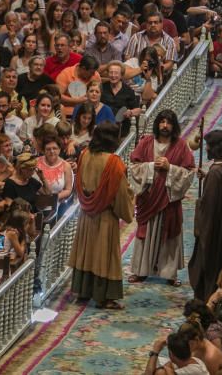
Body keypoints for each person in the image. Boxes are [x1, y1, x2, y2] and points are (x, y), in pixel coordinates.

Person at [69, 122, 135, 310]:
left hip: (86, 213)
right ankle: (104, 297)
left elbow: (79, 184)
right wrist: (131, 200)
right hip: (105, 215)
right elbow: (121, 192)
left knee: (85, 252)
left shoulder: (84, 155)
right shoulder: (113, 162)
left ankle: (83, 292)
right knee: (104, 255)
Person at [128, 110, 195, 285]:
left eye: (169, 123)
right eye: (162, 122)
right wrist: (150, 167)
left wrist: (170, 168)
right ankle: (141, 270)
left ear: (174, 126)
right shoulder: (146, 143)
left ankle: (169, 273)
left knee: (169, 235)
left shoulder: (181, 146)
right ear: (157, 124)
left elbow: (189, 172)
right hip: (149, 198)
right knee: (146, 234)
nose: (165, 126)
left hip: (168, 201)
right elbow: (134, 166)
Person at [188, 130, 222, 301]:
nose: (206, 149)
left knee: (209, 265)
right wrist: (206, 178)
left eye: (209, 146)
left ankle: (207, 299)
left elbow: (209, 206)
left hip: (213, 229)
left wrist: (201, 226)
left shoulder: (215, 172)